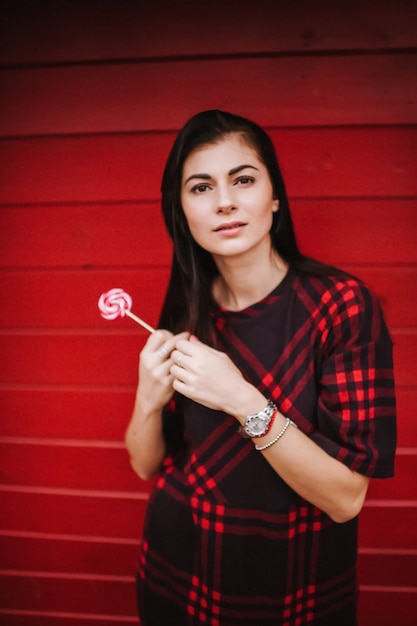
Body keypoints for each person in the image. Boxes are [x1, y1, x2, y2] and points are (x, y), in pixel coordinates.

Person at [125, 110, 396, 626]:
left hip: (293, 586)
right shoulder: (186, 307)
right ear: (181, 211)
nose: (225, 201)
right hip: (176, 571)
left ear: (274, 197)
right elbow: (145, 465)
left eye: (243, 180)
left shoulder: (342, 307)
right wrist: (146, 397)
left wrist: (242, 399)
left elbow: (345, 499)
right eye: (201, 187)